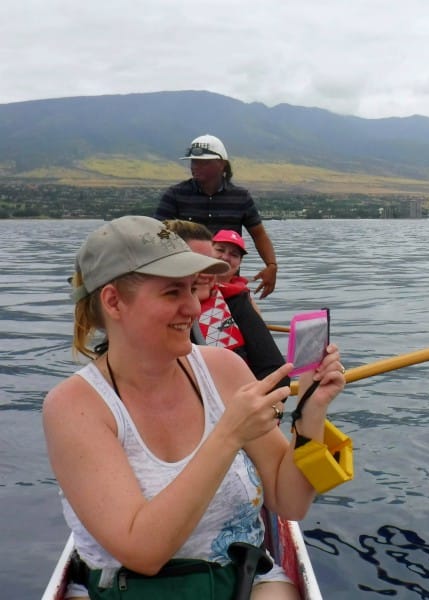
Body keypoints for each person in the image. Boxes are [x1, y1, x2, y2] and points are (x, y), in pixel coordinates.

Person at [43, 215, 345, 599]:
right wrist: (228, 434)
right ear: (113, 301)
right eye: (172, 293)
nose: (194, 308)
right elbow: (144, 554)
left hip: (240, 581)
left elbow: (290, 502)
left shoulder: (224, 370)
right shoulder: (74, 406)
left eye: (193, 289)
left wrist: (311, 413)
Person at [163, 219, 289, 389]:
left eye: (211, 264)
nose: (208, 273)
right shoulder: (143, 319)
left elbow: (275, 372)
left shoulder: (236, 301)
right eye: (197, 263)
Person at [153, 134, 279, 299]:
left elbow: (259, 234)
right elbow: (158, 232)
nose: (195, 166)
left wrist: (271, 266)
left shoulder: (241, 197)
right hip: (188, 286)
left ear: (222, 165)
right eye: (193, 161)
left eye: (203, 162)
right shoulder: (175, 195)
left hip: (228, 284)